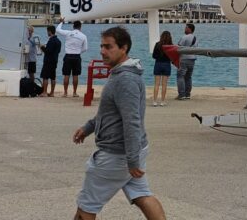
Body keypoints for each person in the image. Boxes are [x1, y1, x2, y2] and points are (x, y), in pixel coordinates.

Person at [72, 26, 166, 220]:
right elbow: (110, 113)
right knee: (142, 194)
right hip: (131, 152)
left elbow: (132, 122)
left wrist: (131, 160)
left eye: (108, 47)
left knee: (86, 207)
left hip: (116, 154)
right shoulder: (121, 74)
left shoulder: (125, 80)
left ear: (124, 48)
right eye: (101, 46)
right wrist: (88, 128)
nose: (102, 51)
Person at [57, 20, 89, 98]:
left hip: (68, 56)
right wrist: (78, 51)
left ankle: (65, 93)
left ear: (73, 26)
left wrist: (61, 22)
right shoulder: (83, 36)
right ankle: (74, 93)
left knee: (66, 75)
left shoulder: (68, 33)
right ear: (80, 27)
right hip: (77, 56)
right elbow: (85, 48)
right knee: (75, 75)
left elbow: (57, 30)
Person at [151, 31, 173, 107]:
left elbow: (154, 56)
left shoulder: (158, 44)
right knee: (164, 84)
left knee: (156, 84)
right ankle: (162, 101)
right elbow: (172, 57)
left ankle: (154, 101)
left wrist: (159, 57)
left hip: (158, 64)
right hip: (166, 65)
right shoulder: (171, 46)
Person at [176, 23, 197, 100]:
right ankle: (188, 94)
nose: (184, 29)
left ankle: (181, 94)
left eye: (186, 28)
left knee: (180, 76)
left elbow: (178, 47)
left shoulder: (184, 37)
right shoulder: (195, 38)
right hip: (192, 59)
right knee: (188, 77)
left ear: (189, 29)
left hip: (184, 59)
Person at [39, 25, 62, 97]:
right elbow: (58, 51)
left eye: (47, 31)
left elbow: (48, 51)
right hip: (55, 60)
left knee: (45, 77)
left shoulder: (51, 41)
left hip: (48, 61)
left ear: (49, 31)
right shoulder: (58, 41)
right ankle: (52, 93)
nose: (47, 33)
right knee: (53, 77)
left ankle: (45, 92)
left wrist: (42, 47)